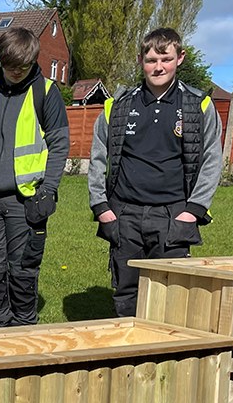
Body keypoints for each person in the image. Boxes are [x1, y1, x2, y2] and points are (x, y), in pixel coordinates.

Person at [88, 27, 222, 317]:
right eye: (151, 60)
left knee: (172, 298)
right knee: (126, 296)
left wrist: (193, 210)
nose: (158, 66)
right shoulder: (118, 106)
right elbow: (98, 157)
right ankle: (128, 357)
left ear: (180, 58)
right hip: (125, 215)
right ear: (140, 60)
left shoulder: (199, 105)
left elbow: (212, 160)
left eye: (166, 58)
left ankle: (168, 358)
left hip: (173, 215)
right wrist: (101, 207)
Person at [0, 27, 69, 328]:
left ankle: (23, 325)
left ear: (33, 60)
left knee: (23, 267)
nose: (16, 73)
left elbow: (60, 144)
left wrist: (48, 190)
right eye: (10, 67)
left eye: (22, 67)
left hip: (28, 198)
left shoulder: (46, 92)